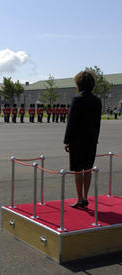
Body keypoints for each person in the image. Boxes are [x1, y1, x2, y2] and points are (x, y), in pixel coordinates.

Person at [64, 70, 102, 208]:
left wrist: (67, 141)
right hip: (91, 139)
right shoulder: (97, 101)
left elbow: (71, 122)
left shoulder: (77, 100)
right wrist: (95, 138)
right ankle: (86, 197)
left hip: (77, 140)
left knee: (78, 170)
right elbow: (98, 122)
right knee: (88, 169)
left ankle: (79, 198)